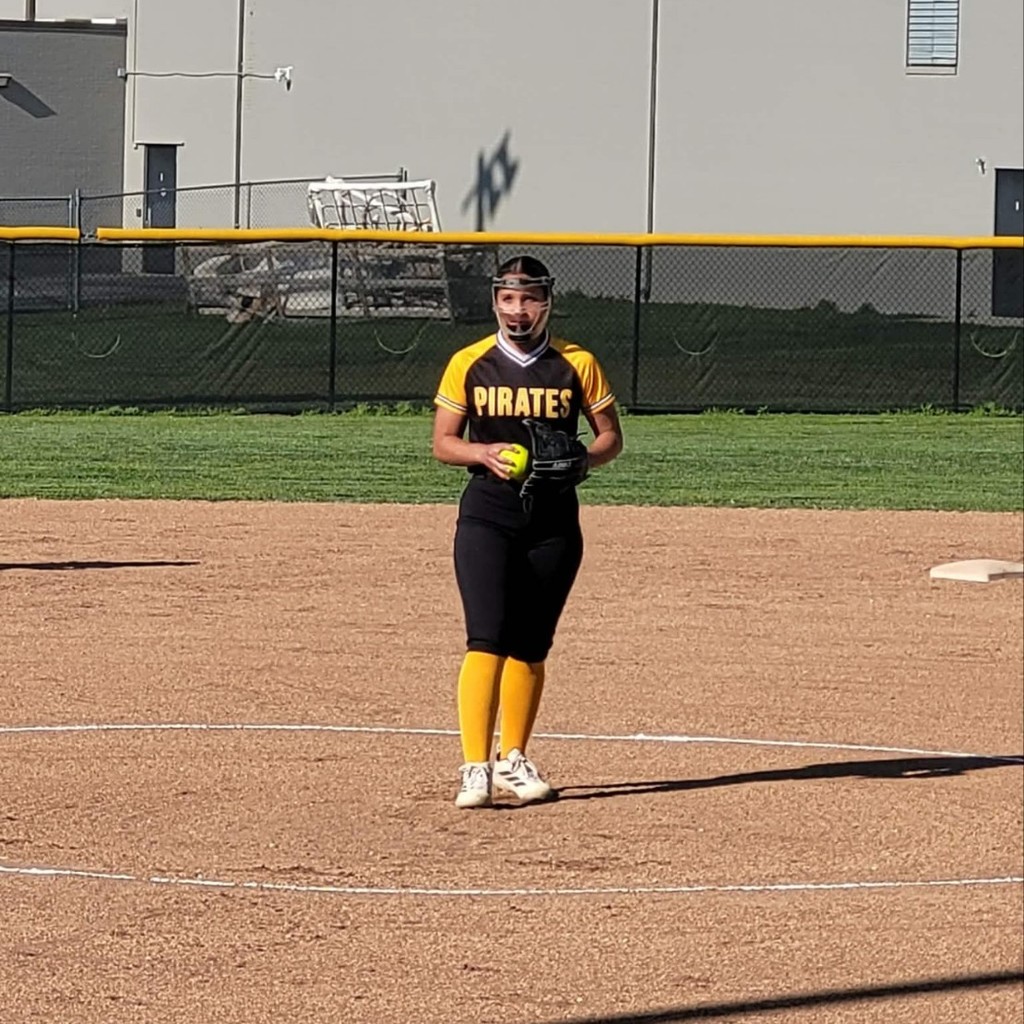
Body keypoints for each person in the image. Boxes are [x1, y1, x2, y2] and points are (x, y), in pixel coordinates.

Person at [432, 254, 624, 808]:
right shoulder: (471, 362)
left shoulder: (576, 363)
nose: (518, 310)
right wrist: (482, 451)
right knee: (486, 636)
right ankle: (475, 767)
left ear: (548, 302)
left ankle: (512, 759)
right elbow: (443, 442)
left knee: (532, 642)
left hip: (554, 519)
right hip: (488, 514)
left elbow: (611, 437)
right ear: (494, 301)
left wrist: (583, 461)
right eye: (508, 298)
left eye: (530, 298)